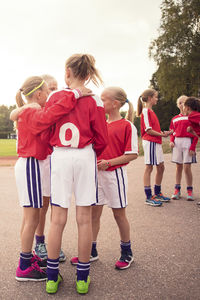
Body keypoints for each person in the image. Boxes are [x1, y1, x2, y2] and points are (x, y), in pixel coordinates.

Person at [18, 54, 107, 294]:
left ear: (67, 72)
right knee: (85, 218)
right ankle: (82, 278)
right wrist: (91, 154)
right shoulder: (96, 99)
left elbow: (46, 128)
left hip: (60, 155)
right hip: (84, 154)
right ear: (88, 74)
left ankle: (51, 278)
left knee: (57, 219)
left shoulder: (56, 96)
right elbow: (102, 139)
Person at [14, 76, 86, 282]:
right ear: (38, 94)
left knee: (31, 218)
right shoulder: (32, 111)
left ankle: (27, 259)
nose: (49, 95)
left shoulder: (30, 110)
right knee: (31, 219)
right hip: (30, 165)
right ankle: (24, 267)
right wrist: (76, 93)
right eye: (47, 92)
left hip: (31, 165)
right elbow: (52, 115)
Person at [70, 86, 138, 270]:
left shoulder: (127, 126)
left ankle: (127, 252)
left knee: (119, 215)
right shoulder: (100, 124)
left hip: (115, 175)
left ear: (115, 104)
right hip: (97, 176)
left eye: (103, 99)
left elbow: (132, 154)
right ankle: (91, 251)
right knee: (94, 214)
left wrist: (109, 162)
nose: (100, 102)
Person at [34, 74, 66, 262]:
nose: (55, 92)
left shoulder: (59, 110)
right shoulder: (38, 111)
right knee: (43, 205)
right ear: (42, 92)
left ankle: (55, 243)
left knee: (58, 204)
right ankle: (40, 242)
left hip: (60, 161)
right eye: (51, 89)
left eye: (56, 88)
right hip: (44, 162)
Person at [137, 88, 172, 207]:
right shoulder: (146, 111)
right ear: (150, 98)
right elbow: (148, 130)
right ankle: (148, 196)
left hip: (156, 142)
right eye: (156, 97)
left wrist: (164, 133)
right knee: (149, 167)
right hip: (150, 142)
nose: (157, 99)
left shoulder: (151, 111)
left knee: (161, 167)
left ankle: (157, 193)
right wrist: (162, 134)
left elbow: (154, 129)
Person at [169, 95, 198, 201]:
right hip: (177, 143)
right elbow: (172, 132)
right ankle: (177, 190)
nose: (182, 104)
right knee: (178, 167)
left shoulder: (192, 117)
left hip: (188, 143)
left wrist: (193, 147)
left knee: (187, 168)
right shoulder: (174, 119)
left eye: (184, 102)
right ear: (178, 105)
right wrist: (172, 141)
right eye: (180, 102)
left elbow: (196, 133)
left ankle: (190, 190)